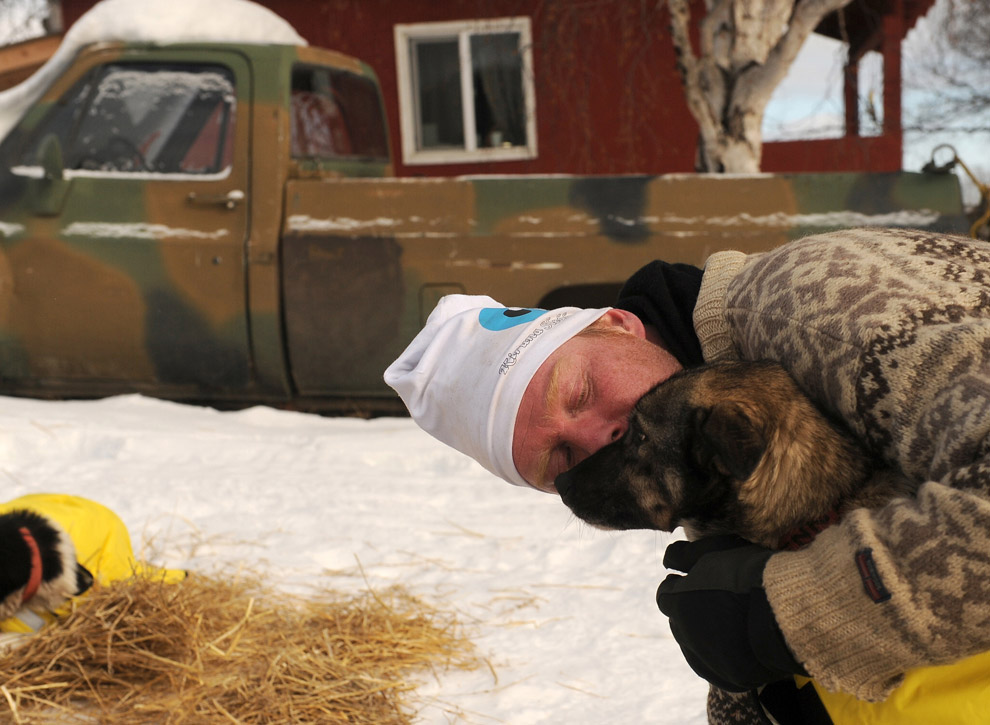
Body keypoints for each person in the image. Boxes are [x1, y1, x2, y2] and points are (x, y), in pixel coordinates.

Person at [385, 227, 990, 724]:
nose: (600, 439)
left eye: (580, 391)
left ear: (618, 323)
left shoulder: (818, 307)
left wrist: (789, 617)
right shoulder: (697, 430)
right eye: (563, 459)